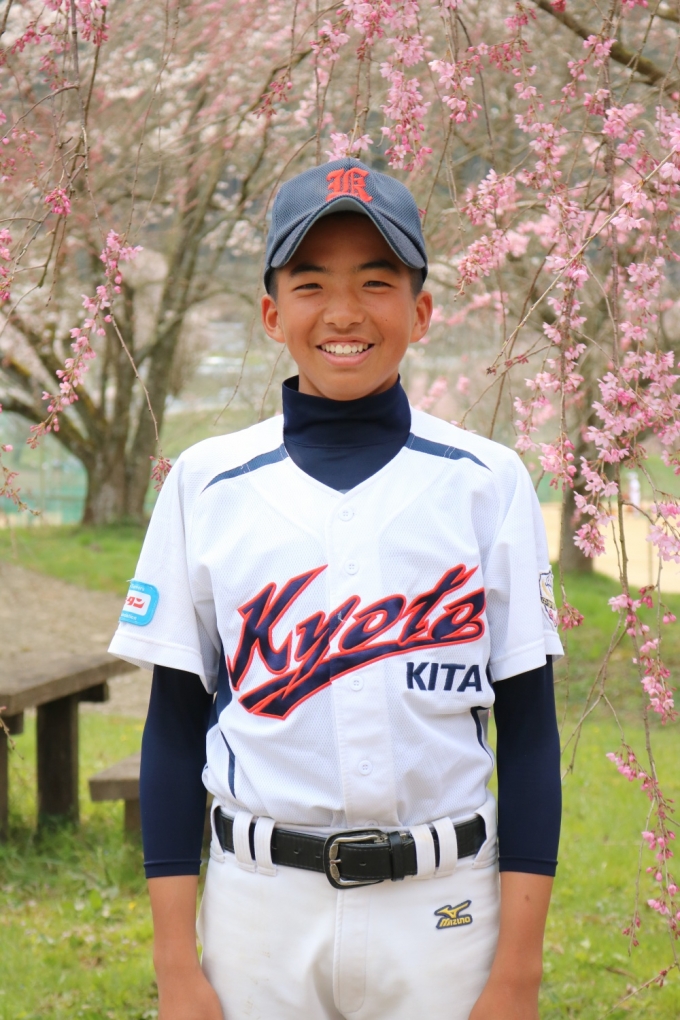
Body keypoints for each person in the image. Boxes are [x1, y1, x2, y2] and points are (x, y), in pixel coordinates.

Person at [109, 157, 564, 1020]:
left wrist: (518, 972)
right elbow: (171, 727)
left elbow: (531, 732)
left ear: (421, 311)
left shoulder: (486, 482)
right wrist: (175, 964)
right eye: (311, 283)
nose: (345, 312)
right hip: (259, 906)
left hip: (443, 905)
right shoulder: (208, 482)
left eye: (377, 282)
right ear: (273, 313)